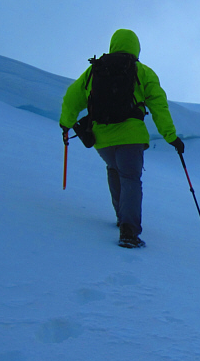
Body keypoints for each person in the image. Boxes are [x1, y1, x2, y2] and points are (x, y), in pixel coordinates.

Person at [60, 28, 184, 248]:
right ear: (136, 47)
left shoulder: (95, 70)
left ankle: (121, 218)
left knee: (114, 169)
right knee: (130, 179)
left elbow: (72, 97)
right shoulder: (142, 71)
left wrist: (66, 123)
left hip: (102, 138)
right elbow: (159, 107)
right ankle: (129, 231)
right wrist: (171, 137)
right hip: (131, 137)